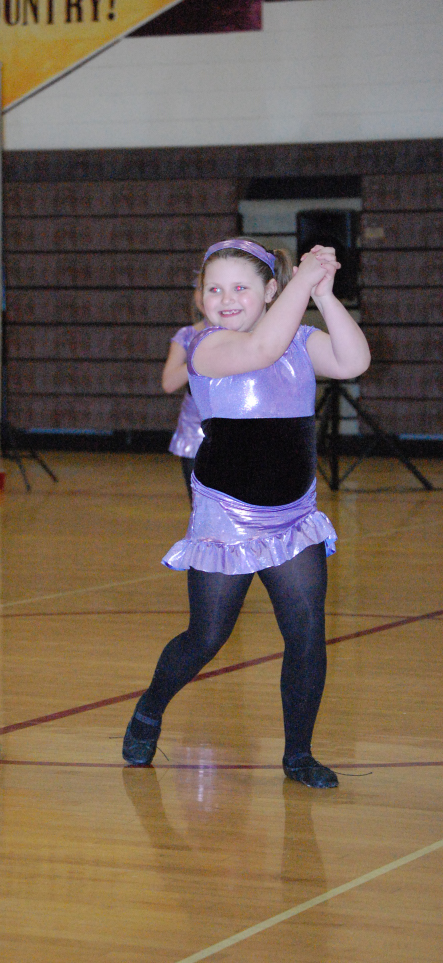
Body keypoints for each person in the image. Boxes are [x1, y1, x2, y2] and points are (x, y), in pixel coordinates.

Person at [123, 238, 370, 788]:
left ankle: (298, 754)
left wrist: (323, 296)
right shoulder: (205, 345)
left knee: (306, 634)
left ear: (270, 291)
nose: (225, 298)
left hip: (293, 515)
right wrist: (303, 282)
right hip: (228, 514)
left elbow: (354, 361)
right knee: (207, 636)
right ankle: (150, 707)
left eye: (240, 287)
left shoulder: (298, 339)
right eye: (214, 289)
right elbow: (259, 349)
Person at [164, 294, 206, 501]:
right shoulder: (188, 335)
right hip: (196, 434)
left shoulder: (248, 335)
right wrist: (200, 355)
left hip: (239, 431)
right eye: (203, 288)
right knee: (200, 507)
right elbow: (169, 383)